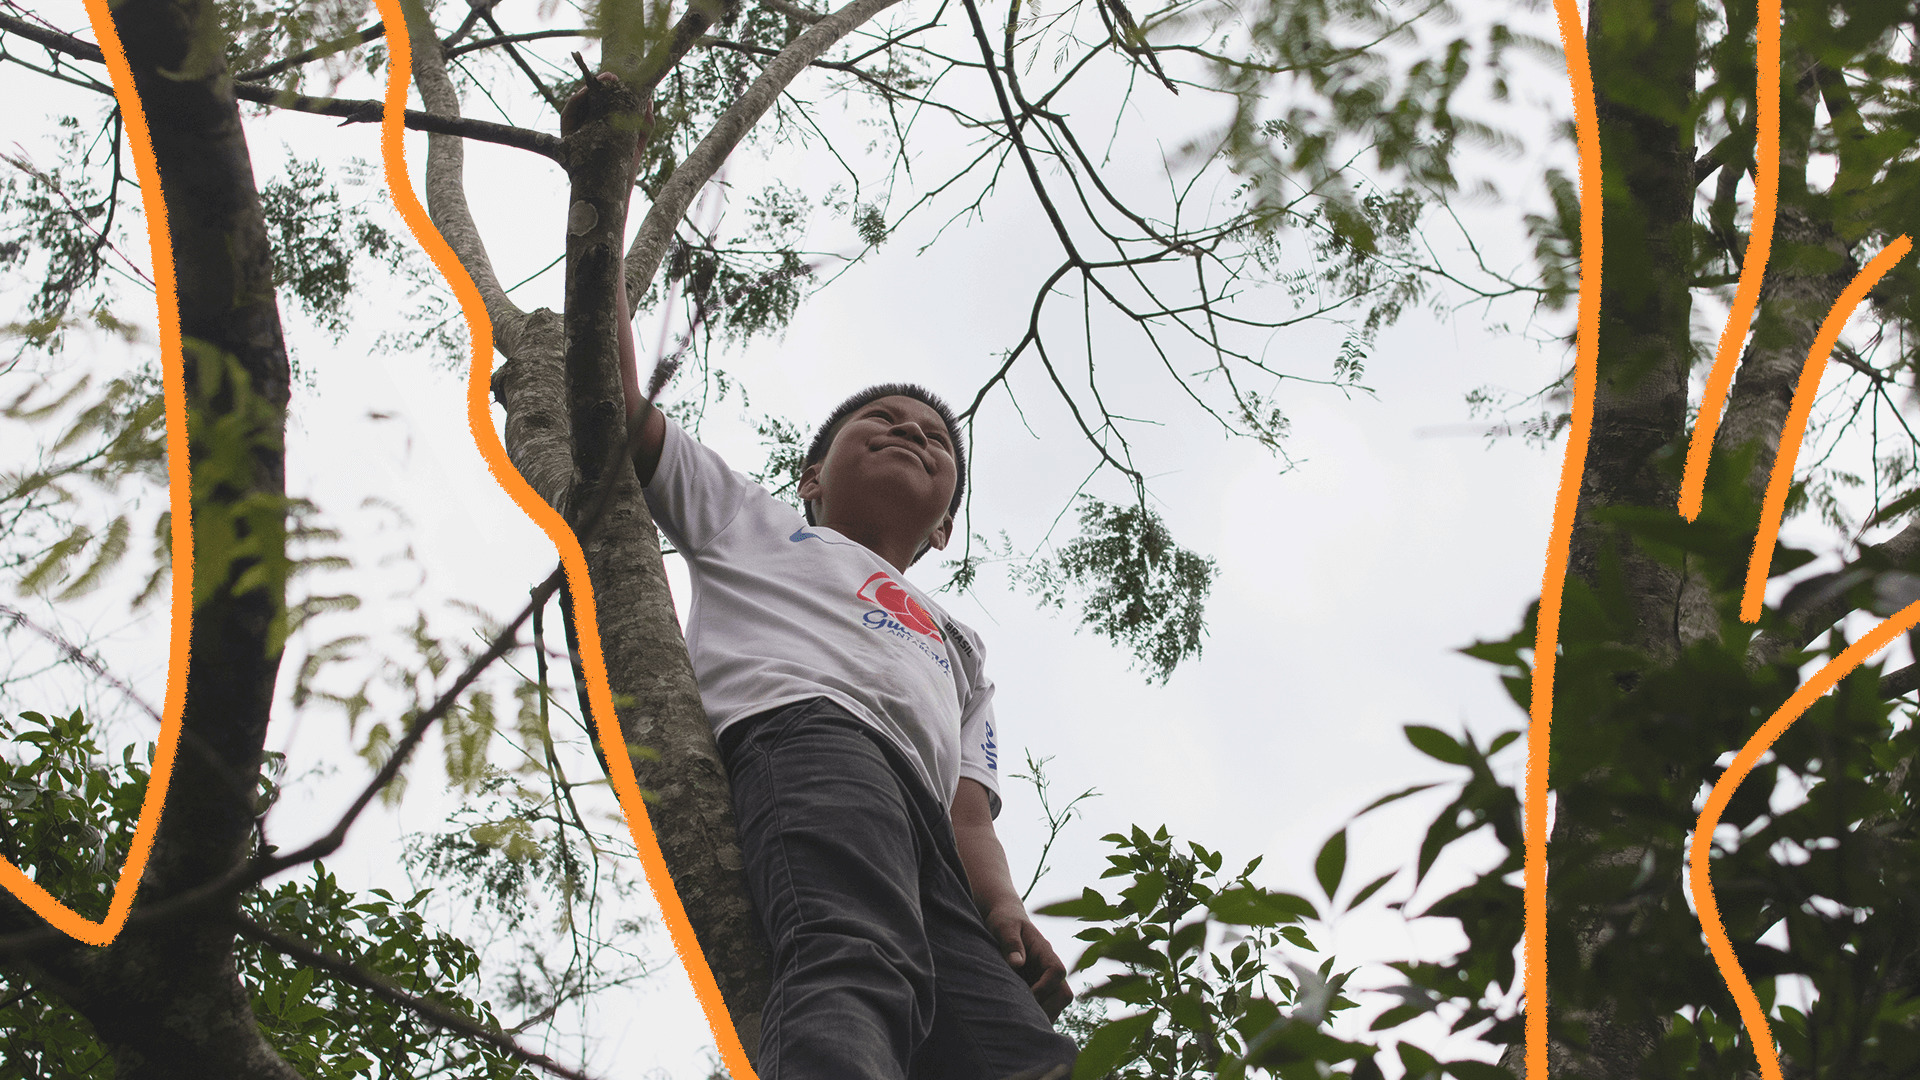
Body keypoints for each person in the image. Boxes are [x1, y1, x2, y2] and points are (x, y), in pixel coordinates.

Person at [567, 79, 1079, 1079]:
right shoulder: (755, 525)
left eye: (934, 441)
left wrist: (1005, 904)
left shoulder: (962, 646)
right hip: (809, 741)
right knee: (853, 961)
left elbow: (967, 808)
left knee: (1022, 1053)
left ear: (942, 532)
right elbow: (618, 409)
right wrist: (606, 223)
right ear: (810, 479)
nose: (908, 433)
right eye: (878, 424)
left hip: (924, 830)